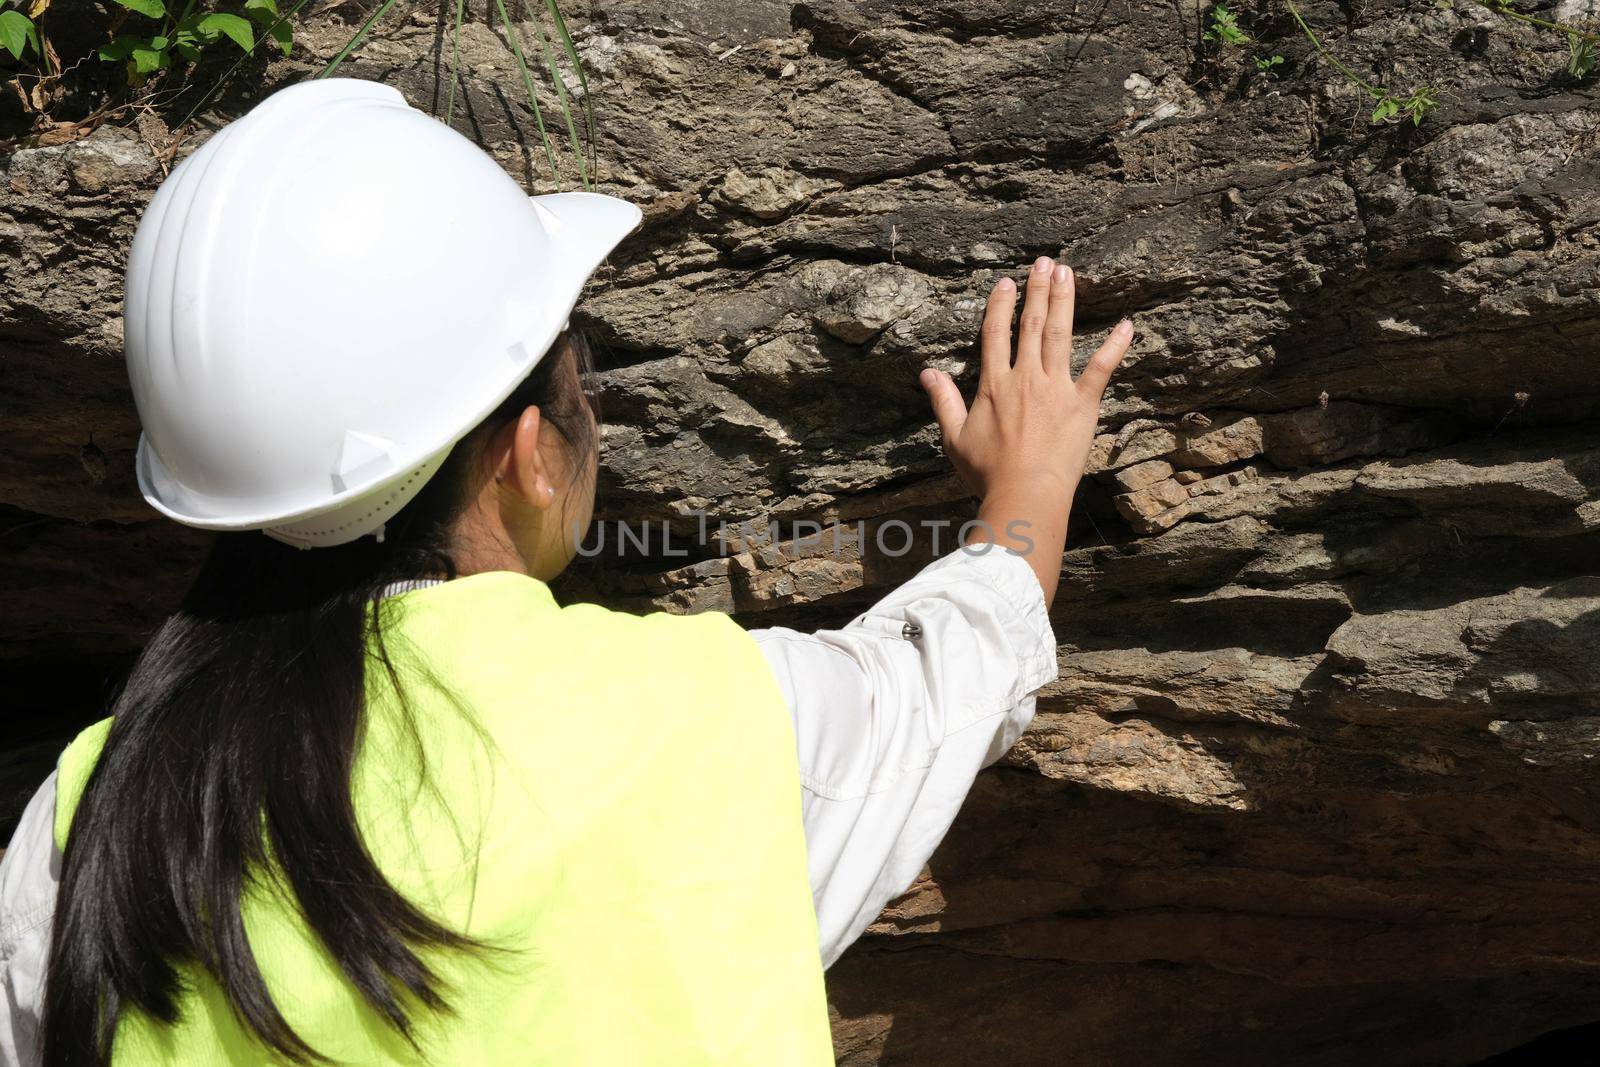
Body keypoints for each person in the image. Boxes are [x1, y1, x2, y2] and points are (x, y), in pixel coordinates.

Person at [0, 79, 1132, 1066]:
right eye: (581, 383)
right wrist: (1028, 483)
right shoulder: (705, 722)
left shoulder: (83, 814)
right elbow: (952, 665)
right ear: (529, 455)